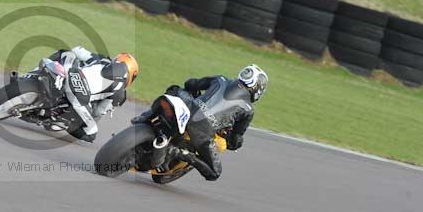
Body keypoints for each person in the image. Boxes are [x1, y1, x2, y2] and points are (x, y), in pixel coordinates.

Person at [137, 64, 268, 180]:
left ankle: (145, 117)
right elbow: (235, 139)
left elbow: (190, 83)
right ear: (258, 89)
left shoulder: (221, 80)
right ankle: (179, 153)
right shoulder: (248, 110)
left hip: (188, 110)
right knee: (214, 173)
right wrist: (234, 142)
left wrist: (195, 93)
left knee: (176, 90)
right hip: (202, 133)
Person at [45, 46, 139, 142]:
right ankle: (60, 121)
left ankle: (36, 75)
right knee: (91, 134)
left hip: (69, 75)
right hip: (79, 94)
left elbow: (77, 50)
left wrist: (79, 64)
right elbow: (98, 111)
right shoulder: (120, 93)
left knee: (64, 52)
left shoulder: (101, 59)